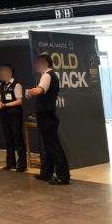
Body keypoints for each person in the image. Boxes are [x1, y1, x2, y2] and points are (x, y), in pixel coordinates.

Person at [25, 54, 70, 185]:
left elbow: (39, 90)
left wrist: (28, 91)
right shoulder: (52, 75)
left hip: (46, 116)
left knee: (53, 147)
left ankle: (63, 176)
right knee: (48, 147)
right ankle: (46, 173)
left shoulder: (46, 75)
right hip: (48, 115)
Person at [0, 64, 26, 172]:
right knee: (8, 139)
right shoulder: (1, 85)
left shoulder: (16, 85)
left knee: (18, 139)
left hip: (15, 114)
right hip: (4, 114)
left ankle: (22, 164)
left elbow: (19, 100)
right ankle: (10, 163)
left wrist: (5, 105)